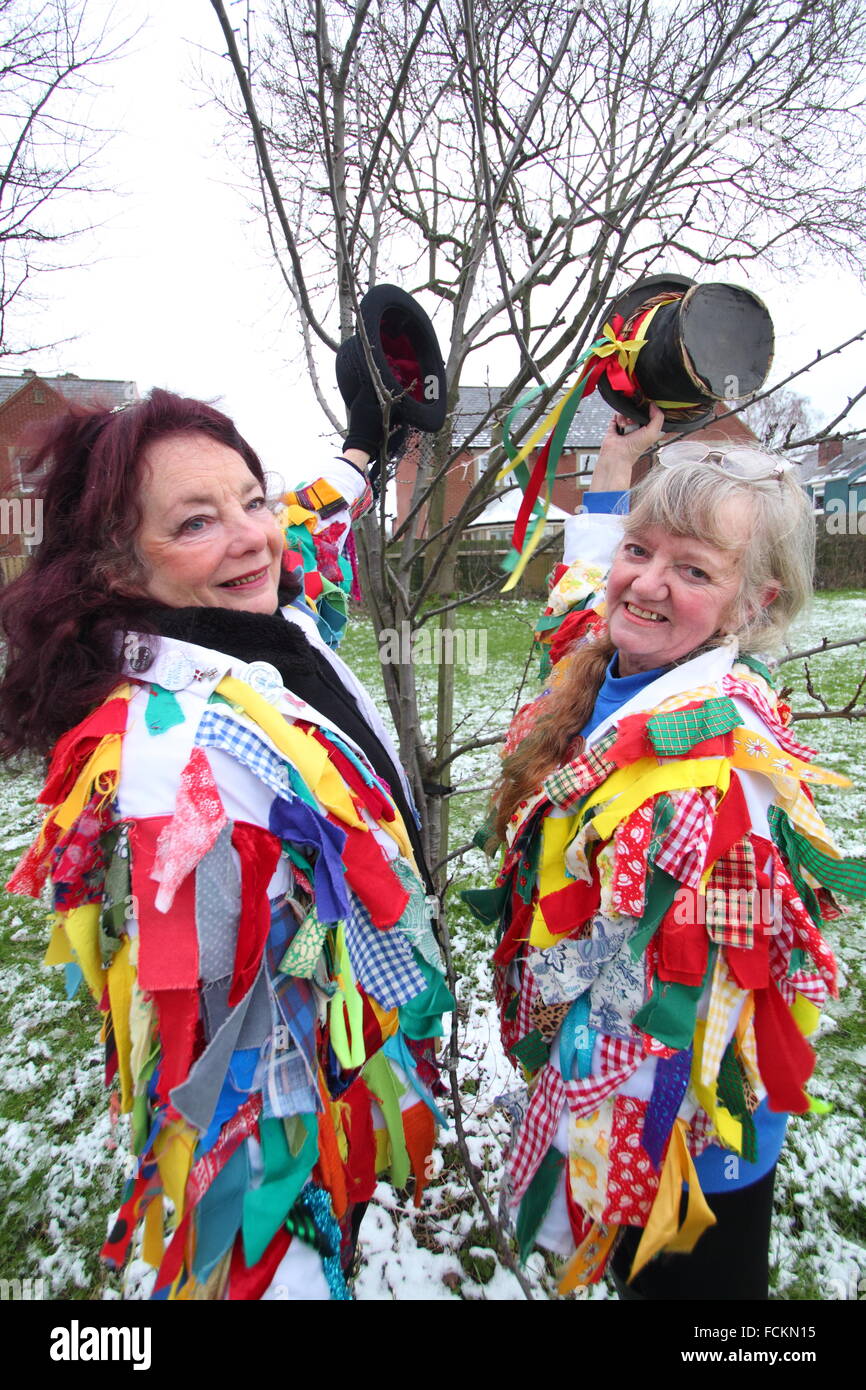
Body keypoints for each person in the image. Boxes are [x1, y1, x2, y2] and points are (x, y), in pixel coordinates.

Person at [0, 387, 452, 1300]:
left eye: (254, 498)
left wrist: (370, 448)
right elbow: (219, 1044)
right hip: (277, 1126)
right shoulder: (179, 770)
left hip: (350, 1058)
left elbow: (307, 535)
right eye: (197, 521)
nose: (253, 538)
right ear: (118, 569)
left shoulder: (258, 619)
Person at [472, 404, 863, 1300]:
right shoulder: (621, 663)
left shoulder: (712, 764)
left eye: (693, 569)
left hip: (684, 1137)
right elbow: (584, 597)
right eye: (639, 550)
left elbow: (684, 994)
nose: (644, 583)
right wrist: (616, 463)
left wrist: (598, 1115)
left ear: (754, 603)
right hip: (610, 1108)